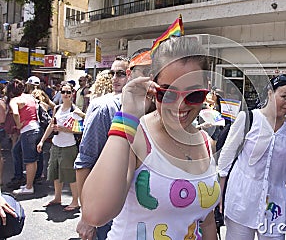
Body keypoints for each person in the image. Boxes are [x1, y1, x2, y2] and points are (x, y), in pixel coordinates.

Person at [81, 36, 220, 239]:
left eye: (194, 94)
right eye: (168, 93)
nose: (180, 105)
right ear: (152, 84)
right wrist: (127, 116)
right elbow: (95, 213)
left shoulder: (206, 142)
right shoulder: (136, 135)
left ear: (207, 88)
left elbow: (206, 222)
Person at [218, 74, 286, 239]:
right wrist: (220, 196)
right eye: (284, 97)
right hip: (241, 199)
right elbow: (225, 161)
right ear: (270, 93)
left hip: (274, 205)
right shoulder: (248, 118)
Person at [74, 57, 130, 240]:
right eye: (112, 73)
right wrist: (87, 217)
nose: (115, 78)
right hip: (106, 203)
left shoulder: (151, 108)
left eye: (121, 74)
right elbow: (85, 162)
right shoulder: (104, 108)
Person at [37, 82, 84, 211]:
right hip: (56, 145)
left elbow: (82, 129)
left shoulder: (75, 110)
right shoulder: (57, 108)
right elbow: (51, 125)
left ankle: (75, 201)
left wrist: (65, 129)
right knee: (55, 172)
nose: (65, 95)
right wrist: (42, 141)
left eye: (68, 92)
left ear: (72, 94)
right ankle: (57, 197)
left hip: (69, 146)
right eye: (63, 92)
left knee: (70, 175)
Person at [6, 79, 41, 195]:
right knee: (18, 151)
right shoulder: (29, 97)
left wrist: (18, 124)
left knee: (29, 160)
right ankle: (29, 181)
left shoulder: (14, 100)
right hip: (36, 127)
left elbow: (15, 113)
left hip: (27, 130)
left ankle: (29, 186)